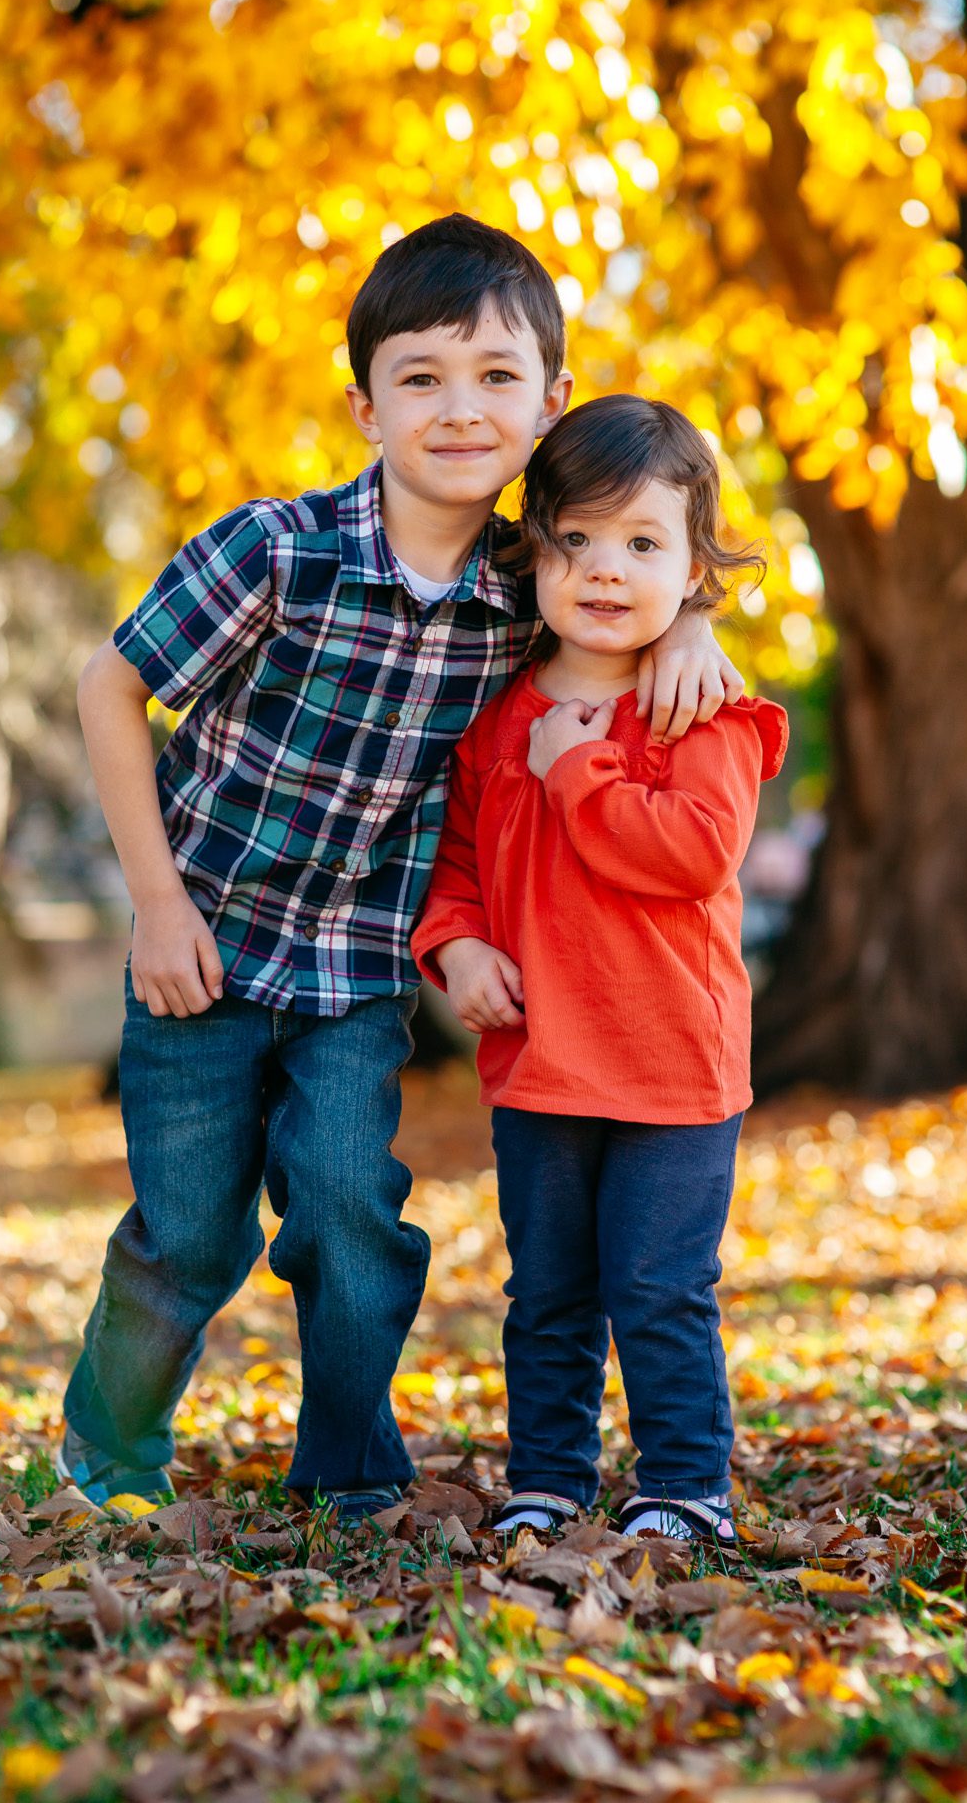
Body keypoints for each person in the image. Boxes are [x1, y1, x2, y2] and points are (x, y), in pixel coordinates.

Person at [57, 217, 744, 1523]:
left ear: (550, 400)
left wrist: (692, 626)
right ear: (365, 405)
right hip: (200, 947)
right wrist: (153, 903)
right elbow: (110, 682)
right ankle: (109, 1443)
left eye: (496, 376)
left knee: (349, 1219)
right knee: (189, 1234)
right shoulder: (278, 552)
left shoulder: (535, 581)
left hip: (357, 968)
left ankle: (352, 1474)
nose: (459, 407)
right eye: (420, 377)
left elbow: (635, 571)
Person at [413, 394, 786, 1546]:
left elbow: (691, 853)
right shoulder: (496, 721)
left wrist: (578, 769)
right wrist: (457, 945)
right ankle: (550, 1477)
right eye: (574, 539)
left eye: (642, 542)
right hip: (540, 1061)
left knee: (659, 1289)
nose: (605, 569)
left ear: (694, 570)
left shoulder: (705, 713)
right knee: (549, 1293)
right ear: (534, 554)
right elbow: (455, 859)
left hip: (672, 1063)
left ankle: (685, 1483)